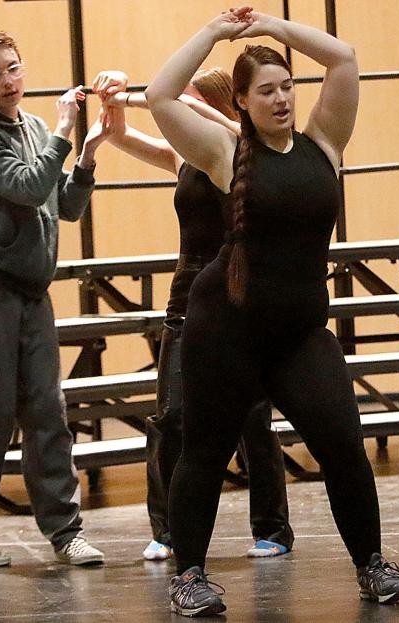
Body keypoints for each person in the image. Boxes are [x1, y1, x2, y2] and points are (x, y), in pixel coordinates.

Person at [145, 8, 399, 616]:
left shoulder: (325, 142)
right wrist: (215, 34)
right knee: (205, 454)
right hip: (226, 333)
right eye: (265, 90)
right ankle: (189, 575)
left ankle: (372, 564)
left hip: (298, 336)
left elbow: (343, 57)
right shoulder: (222, 151)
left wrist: (271, 26)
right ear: (241, 101)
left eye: (287, 86)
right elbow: (159, 94)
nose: (281, 98)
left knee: (345, 444)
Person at [90, 68, 295, 562]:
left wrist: (155, 100)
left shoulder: (242, 147)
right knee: (172, 417)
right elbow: (119, 135)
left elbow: (224, 125)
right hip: (188, 297)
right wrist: (112, 100)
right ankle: (167, 531)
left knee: (252, 418)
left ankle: (272, 528)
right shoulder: (187, 154)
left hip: (239, 297)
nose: (175, 115)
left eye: (187, 105)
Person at [0, 29, 115, 568]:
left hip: (30, 294)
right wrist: (64, 131)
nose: (8, 80)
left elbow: (62, 205)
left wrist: (83, 158)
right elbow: (27, 186)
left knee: (48, 415)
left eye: (13, 68)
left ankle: (65, 532)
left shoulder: (36, 127)